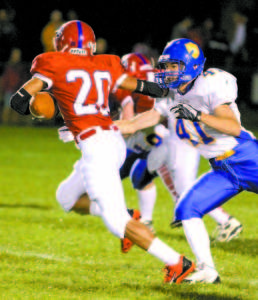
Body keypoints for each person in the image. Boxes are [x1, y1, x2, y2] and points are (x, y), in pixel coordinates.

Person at [9, 20, 194, 284]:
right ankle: (132, 216)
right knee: (66, 196)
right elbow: (142, 86)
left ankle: (177, 263)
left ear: (62, 43)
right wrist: (165, 90)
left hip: (98, 148)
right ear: (91, 45)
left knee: (116, 223)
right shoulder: (105, 63)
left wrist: (37, 110)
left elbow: (18, 102)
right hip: (111, 140)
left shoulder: (51, 63)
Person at [115, 38, 256, 283]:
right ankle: (208, 270)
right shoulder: (172, 94)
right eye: (166, 66)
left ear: (190, 66)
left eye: (174, 66)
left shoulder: (209, 85)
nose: (167, 72)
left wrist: (197, 114)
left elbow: (232, 127)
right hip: (222, 169)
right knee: (187, 209)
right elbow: (135, 123)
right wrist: (90, 128)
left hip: (246, 158)